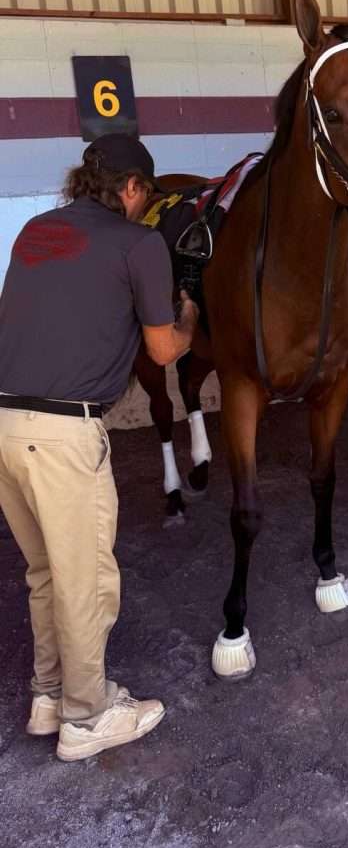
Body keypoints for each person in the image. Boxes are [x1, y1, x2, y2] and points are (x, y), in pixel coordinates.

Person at [0, 133, 199, 762]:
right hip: (64, 435)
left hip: (4, 425)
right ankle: (87, 720)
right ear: (134, 188)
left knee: (45, 573)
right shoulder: (140, 242)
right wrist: (188, 314)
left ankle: (50, 697)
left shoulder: (35, 230)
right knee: (85, 579)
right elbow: (164, 350)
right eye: (147, 195)